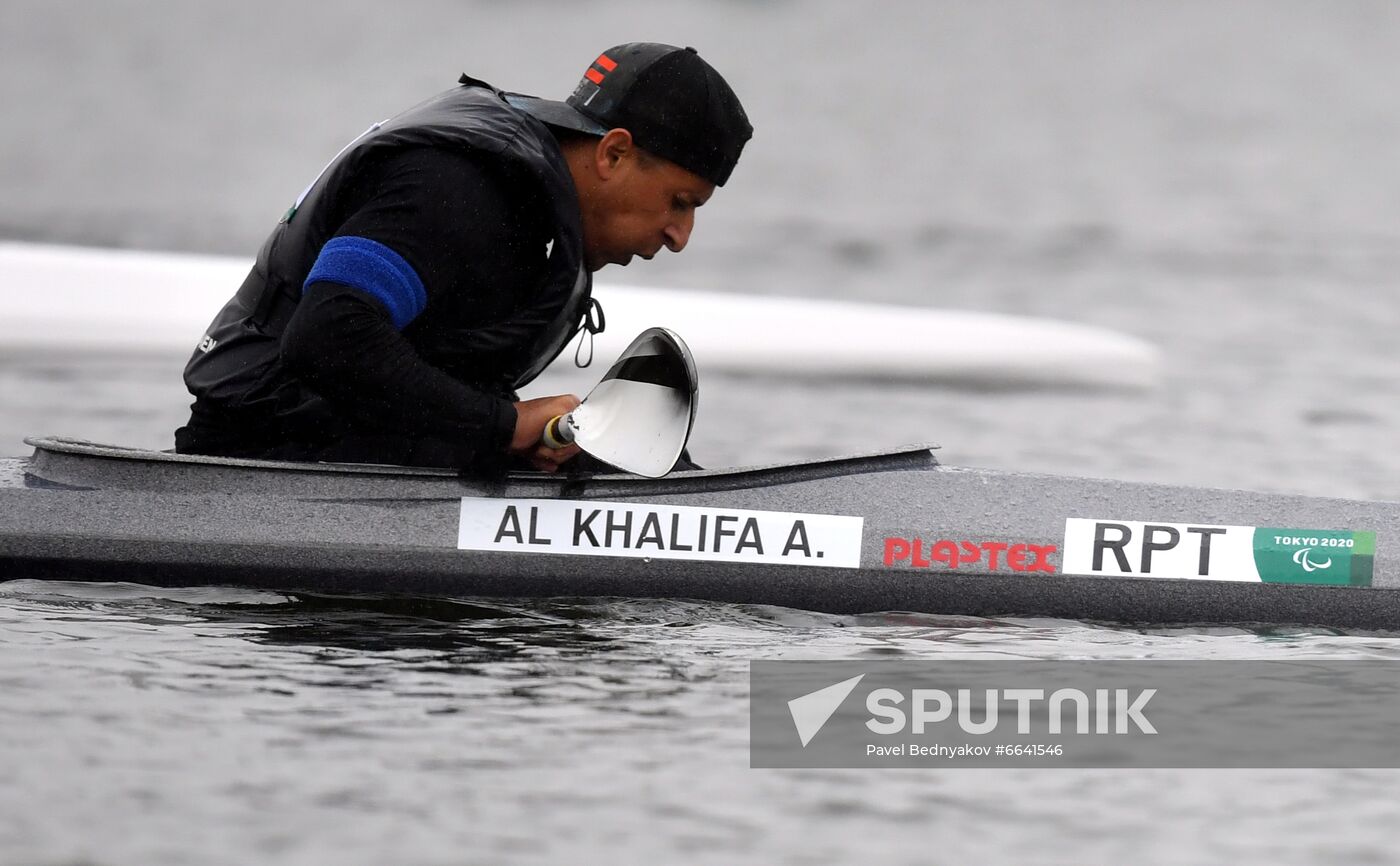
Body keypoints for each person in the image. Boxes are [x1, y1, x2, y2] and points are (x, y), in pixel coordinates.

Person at [175, 43, 751, 475]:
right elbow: (327, 333)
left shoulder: (528, 203)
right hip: (259, 459)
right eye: (680, 202)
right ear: (614, 153)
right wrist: (503, 426)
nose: (680, 236)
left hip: (352, 451)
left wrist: (526, 435)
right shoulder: (457, 186)